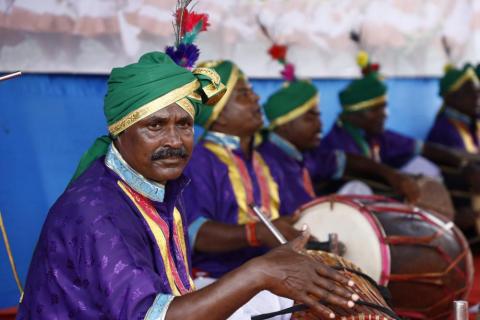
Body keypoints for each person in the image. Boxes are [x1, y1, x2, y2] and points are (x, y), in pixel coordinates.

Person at [17, 52, 357, 320]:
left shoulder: (160, 184)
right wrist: (259, 271)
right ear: (121, 130)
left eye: (184, 125)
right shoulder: (96, 210)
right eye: (156, 126)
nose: (174, 141)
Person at [183, 60, 302, 280]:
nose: (256, 98)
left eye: (252, 92)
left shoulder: (266, 159)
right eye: (244, 94)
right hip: (216, 284)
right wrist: (256, 233)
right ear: (219, 115)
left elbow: (293, 215)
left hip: (275, 278)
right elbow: (195, 233)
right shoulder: (197, 161)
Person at [257, 80, 420, 216]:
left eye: (318, 116)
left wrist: (392, 175)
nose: (320, 125)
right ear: (285, 125)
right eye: (310, 118)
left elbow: (346, 160)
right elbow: (298, 218)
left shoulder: (303, 155)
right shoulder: (270, 163)